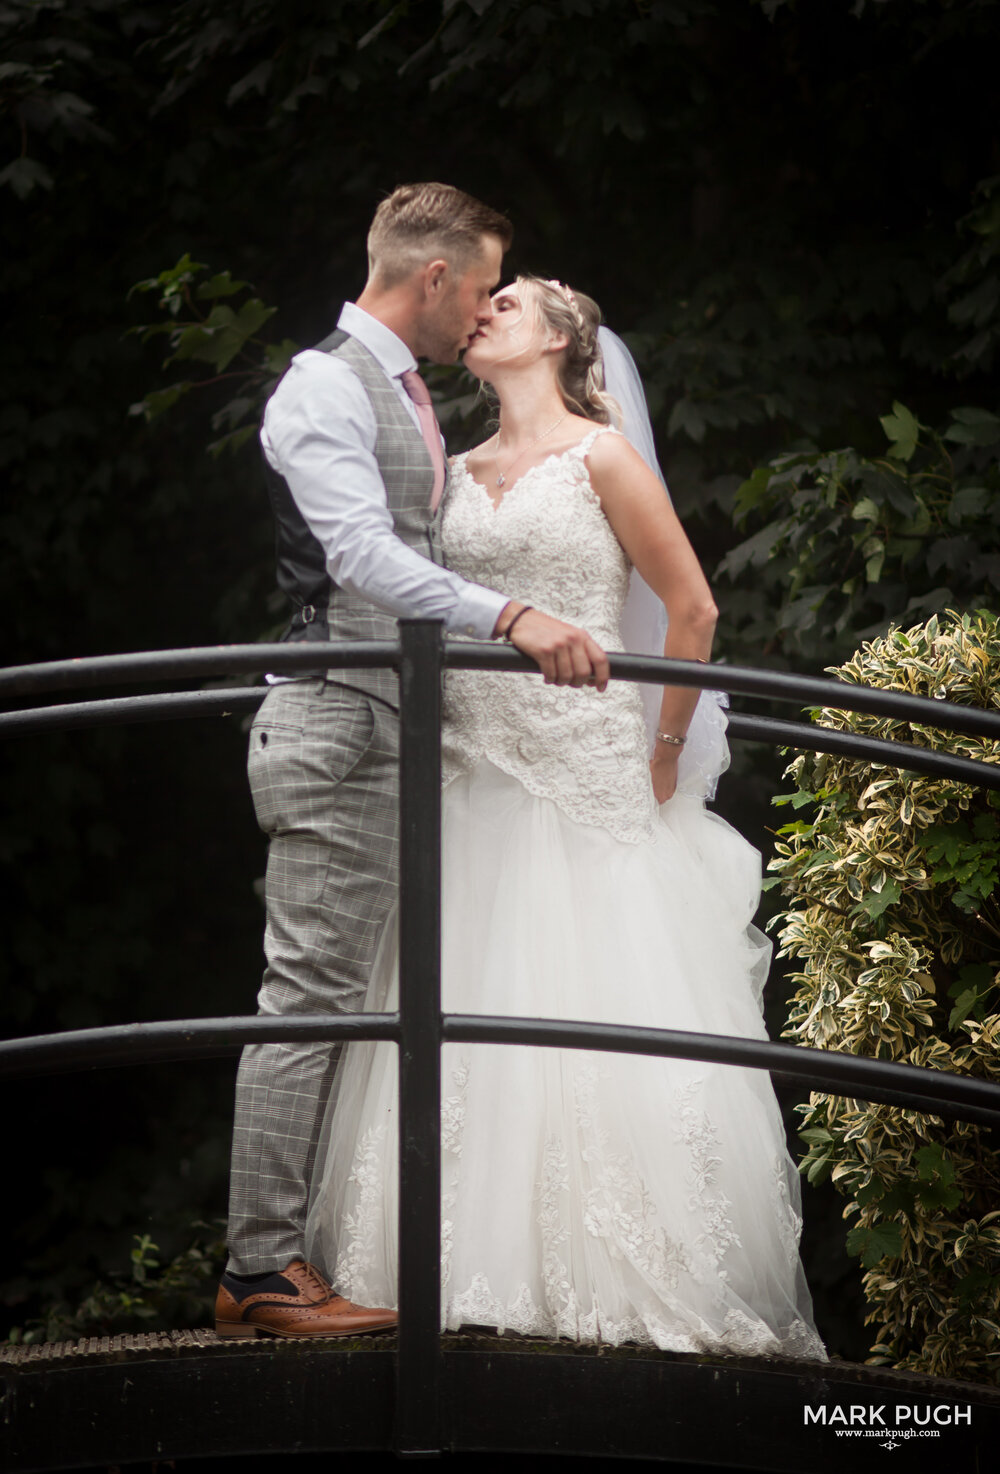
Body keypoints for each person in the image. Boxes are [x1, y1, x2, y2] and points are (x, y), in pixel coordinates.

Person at [304, 276, 826, 1359]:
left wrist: (665, 749)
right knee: (464, 1005)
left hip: (584, 769)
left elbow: (692, 609)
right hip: (468, 769)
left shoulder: (601, 456)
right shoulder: (449, 467)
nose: (485, 310)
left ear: (560, 339)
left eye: (512, 301)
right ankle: (453, 1273)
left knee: (589, 1005)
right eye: (481, 301)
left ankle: (615, 1277)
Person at [215, 189, 609, 1341]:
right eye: (480, 283)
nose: (487, 305)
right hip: (334, 720)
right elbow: (359, 556)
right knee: (311, 998)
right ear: (431, 279)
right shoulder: (324, 385)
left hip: (381, 726)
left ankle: (275, 1261)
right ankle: (261, 1271)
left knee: (342, 996)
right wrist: (512, 616)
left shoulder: (402, 394)